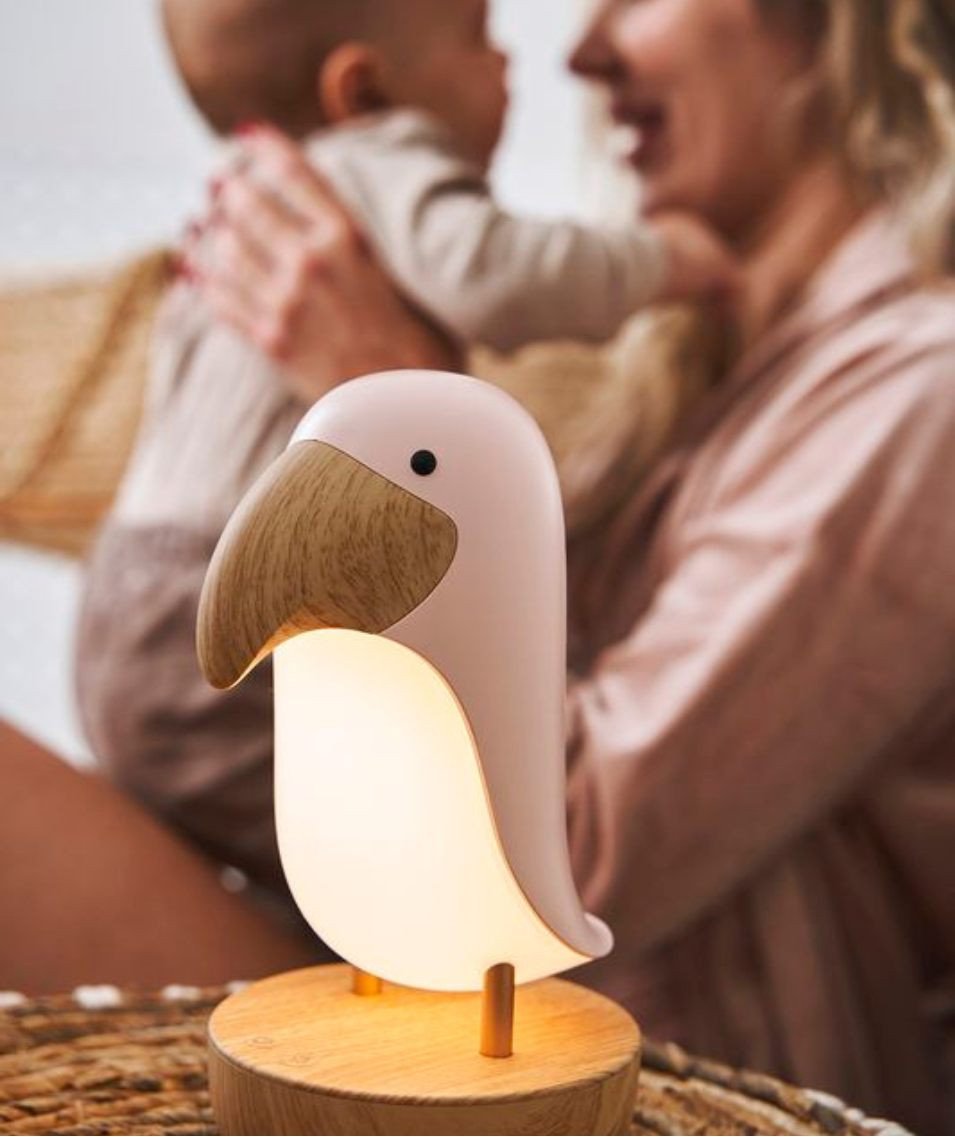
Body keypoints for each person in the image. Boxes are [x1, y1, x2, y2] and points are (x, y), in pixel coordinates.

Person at [174, 0, 955, 1130]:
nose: (581, 53)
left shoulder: (916, 395)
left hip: (663, 1075)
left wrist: (399, 408)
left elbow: (564, 864)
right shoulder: (711, 391)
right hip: (491, 1014)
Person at [76, 0, 736, 900]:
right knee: (381, 839)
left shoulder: (254, 194)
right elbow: (497, 276)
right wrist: (665, 262)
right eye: (479, 40)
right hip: (233, 589)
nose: (510, 66)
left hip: (128, 588)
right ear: (364, 86)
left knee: (279, 811)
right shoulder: (383, 154)